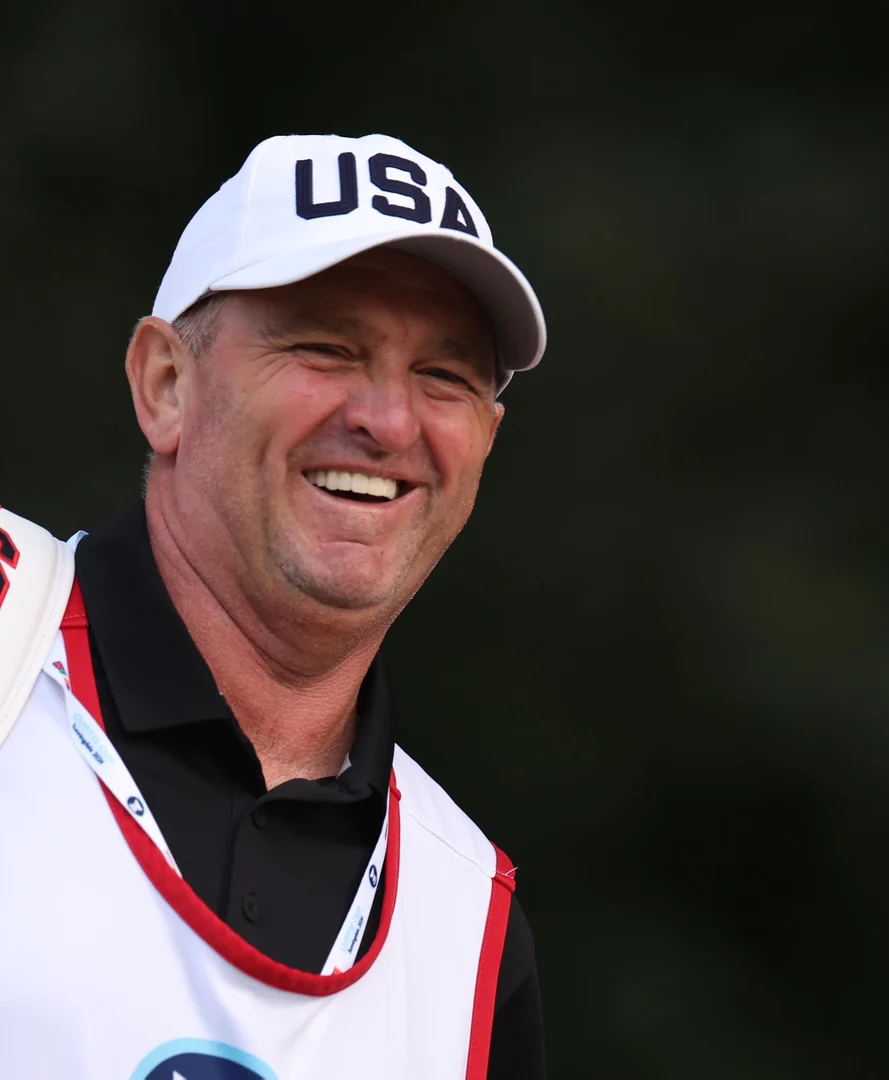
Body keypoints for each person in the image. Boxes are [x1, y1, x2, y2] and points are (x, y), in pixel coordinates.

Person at [0, 134, 548, 1079]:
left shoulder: (469, 924)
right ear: (165, 385)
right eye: (327, 347)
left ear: (486, 443)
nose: (388, 420)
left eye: (446, 375)